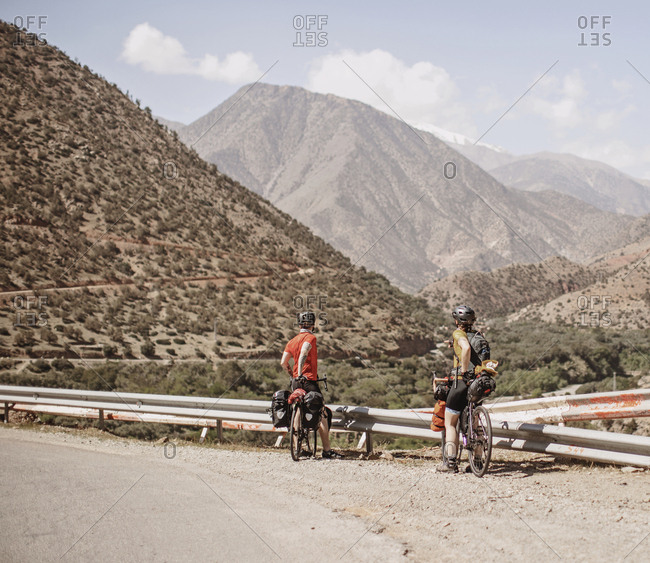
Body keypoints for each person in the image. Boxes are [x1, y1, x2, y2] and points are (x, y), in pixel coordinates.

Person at [280, 311, 342, 459]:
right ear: (313, 325)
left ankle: (297, 448)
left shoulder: (292, 341)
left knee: (297, 406)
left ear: (299, 324)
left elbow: (283, 362)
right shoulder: (311, 337)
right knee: (321, 413)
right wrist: (302, 372)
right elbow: (303, 353)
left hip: (295, 381)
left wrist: (292, 374)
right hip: (308, 380)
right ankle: (327, 450)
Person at [437, 305, 478, 473]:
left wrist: (463, 370)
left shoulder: (458, 333)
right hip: (477, 382)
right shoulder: (477, 335)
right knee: (473, 420)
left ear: (456, 321)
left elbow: (466, 348)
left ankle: (451, 462)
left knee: (450, 422)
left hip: (461, 381)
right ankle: (478, 460)